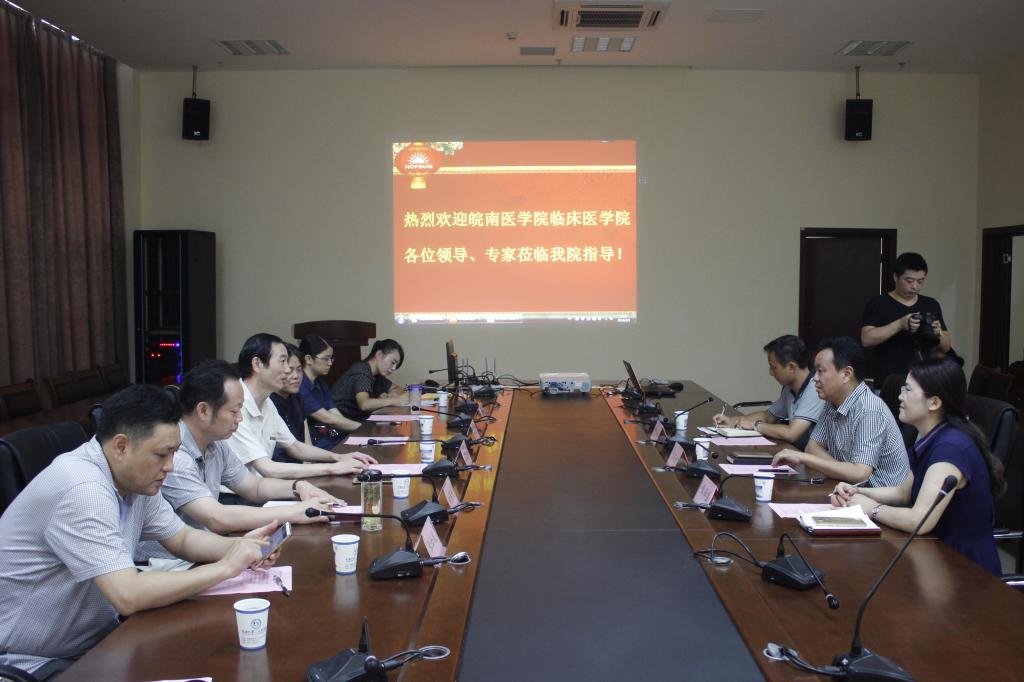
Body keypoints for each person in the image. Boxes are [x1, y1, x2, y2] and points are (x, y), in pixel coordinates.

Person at [0, 385, 279, 679]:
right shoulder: (83, 489)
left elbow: (182, 538)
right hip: (34, 661)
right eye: (161, 455)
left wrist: (244, 547)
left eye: (174, 453)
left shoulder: (133, 479)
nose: (170, 467)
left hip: (99, 640)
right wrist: (225, 568)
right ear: (121, 446)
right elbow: (128, 594)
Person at [138, 360, 341, 562]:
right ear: (203, 411)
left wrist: (298, 487)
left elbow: (254, 486)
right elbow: (216, 517)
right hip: (165, 564)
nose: (239, 419)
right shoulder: (175, 456)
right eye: (234, 411)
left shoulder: (216, 444)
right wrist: (295, 512)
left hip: (203, 550)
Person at [832, 357, 1005, 575]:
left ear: (934, 402)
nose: (900, 397)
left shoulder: (950, 448)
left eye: (907, 390)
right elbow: (904, 493)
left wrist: (872, 509)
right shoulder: (931, 438)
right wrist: (858, 492)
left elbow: (919, 520)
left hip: (966, 568)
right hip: (933, 555)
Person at [228, 333, 377, 479]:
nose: (288, 370)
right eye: (282, 361)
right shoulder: (235, 406)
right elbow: (269, 469)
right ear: (257, 364)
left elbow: (294, 446)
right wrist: (332, 468)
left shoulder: (266, 402)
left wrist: (339, 457)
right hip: (240, 492)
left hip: (263, 487)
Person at [772, 337, 910, 487]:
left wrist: (803, 458)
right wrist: (844, 470)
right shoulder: (831, 401)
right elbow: (812, 447)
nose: (815, 378)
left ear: (846, 374)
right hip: (846, 488)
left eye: (820, 371)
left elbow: (860, 473)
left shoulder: (869, 409)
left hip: (879, 495)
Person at [712, 334, 825, 449]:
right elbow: (768, 416)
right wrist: (733, 421)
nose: (770, 373)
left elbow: (791, 433)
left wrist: (755, 425)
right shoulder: (789, 388)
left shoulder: (815, 389)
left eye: (773, 367)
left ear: (791, 367)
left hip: (808, 456)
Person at [861, 252, 952, 388]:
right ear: (895, 277)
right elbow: (866, 339)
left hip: (924, 382)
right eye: (909, 281)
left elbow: (946, 347)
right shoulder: (878, 304)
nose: (915, 286)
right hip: (888, 382)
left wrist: (938, 333)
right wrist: (900, 324)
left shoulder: (931, 304)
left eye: (920, 281)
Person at [298, 334, 360, 449]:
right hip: (312, 443)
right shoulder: (299, 385)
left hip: (327, 437)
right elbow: (327, 418)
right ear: (308, 359)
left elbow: (335, 414)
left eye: (331, 358)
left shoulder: (320, 382)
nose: (330, 363)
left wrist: (360, 429)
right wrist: (363, 428)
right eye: (326, 358)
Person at [332, 339, 410, 421]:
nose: (394, 368)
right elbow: (364, 404)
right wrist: (395, 400)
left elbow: (396, 387)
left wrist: (394, 393)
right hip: (342, 422)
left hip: (358, 420)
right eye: (393, 362)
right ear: (379, 355)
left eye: (396, 366)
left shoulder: (377, 375)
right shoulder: (362, 371)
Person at [269, 343, 313, 463]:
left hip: (300, 465)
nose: (296, 376)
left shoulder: (297, 398)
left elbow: (306, 443)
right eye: (289, 371)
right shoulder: (268, 402)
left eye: (299, 369)